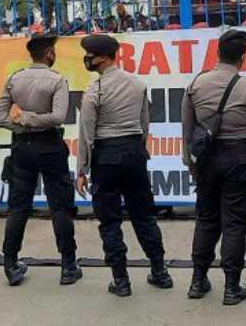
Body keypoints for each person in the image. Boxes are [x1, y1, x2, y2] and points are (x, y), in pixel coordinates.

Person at [182, 29, 246, 305]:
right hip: (240, 158)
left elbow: (187, 131)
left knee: (206, 219)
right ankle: (231, 287)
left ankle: (198, 281)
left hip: (207, 161)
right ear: (243, 56)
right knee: (235, 222)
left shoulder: (196, 84)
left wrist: (190, 163)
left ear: (217, 53)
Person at [75, 34, 173, 297]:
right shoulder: (137, 84)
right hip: (134, 153)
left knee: (109, 220)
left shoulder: (95, 91)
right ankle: (160, 272)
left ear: (103, 57)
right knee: (144, 215)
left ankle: (121, 280)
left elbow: (86, 133)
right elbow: (144, 124)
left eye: (89, 55)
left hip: (106, 156)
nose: (87, 60)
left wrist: (81, 170)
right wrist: (136, 149)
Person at [0, 33, 81, 287]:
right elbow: (57, 118)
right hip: (50, 147)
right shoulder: (56, 81)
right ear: (49, 54)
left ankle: (10, 264)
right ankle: (68, 266)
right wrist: (34, 121)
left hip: (22, 147)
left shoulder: (14, 79)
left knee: (18, 206)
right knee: (59, 206)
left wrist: (23, 123)